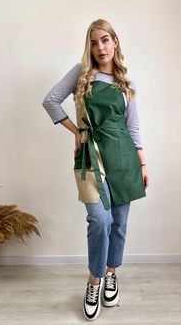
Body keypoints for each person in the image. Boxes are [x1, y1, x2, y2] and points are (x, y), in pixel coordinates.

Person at [42, 18, 149, 321]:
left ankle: (111, 272)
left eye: (105, 39)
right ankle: (94, 280)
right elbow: (50, 100)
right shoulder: (81, 75)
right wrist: (77, 132)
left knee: (119, 223)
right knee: (99, 220)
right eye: (93, 41)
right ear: (89, 46)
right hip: (90, 157)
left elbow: (134, 128)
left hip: (124, 158)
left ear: (116, 42)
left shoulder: (126, 84)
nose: (100, 47)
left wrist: (142, 163)